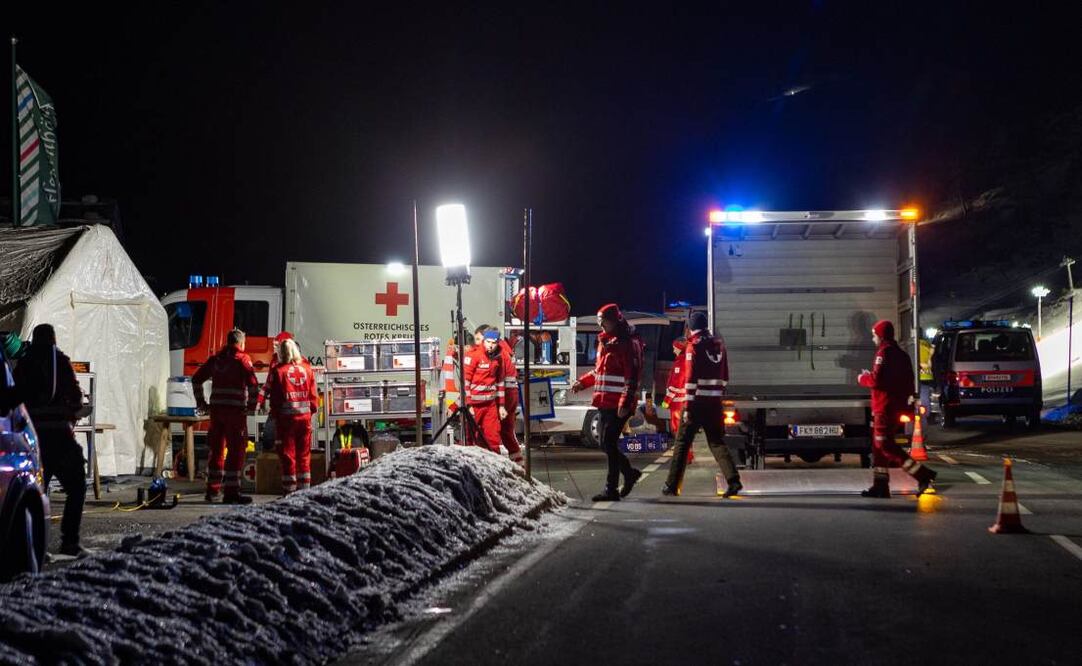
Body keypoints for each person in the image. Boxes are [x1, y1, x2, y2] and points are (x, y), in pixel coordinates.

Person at [12, 324, 88, 557]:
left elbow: (14, 396)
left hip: (32, 439)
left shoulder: (23, 364)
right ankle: (69, 541)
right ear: (54, 339)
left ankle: (35, 545)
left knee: (35, 492)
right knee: (76, 486)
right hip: (59, 436)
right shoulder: (60, 362)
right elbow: (75, 398)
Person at [662, 311, 742, 497]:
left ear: (690, 328)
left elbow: (690, 379)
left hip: (696, 403)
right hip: (714, 403)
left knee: (682, 443)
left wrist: (688, 407)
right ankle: (733, 480)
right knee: (717, 442)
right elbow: (725, 375)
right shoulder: (719, 345)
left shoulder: (693, 347)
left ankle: (672, 485)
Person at [572, 304, 643, 502]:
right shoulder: (606, 342)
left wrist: (625, 402)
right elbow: (600, 372)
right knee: (605, 444)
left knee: (609, 443)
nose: (601, 325)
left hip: (618, 404)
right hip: (605, 401)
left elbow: (632, 376)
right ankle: (628, 474)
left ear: (615, 320)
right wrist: (582, 383)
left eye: (604, 322)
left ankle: (612, 488)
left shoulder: (628, 344)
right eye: (599, 322)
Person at [858, 319, 937, 498]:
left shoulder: (883, 353)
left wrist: (863, 378)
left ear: (880, 335)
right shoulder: (901, 354)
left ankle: (923, 475)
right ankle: (880, 485)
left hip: (884, 408)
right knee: (878, 449)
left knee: (886, 446)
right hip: (895, 407)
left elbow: (877, 380)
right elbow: (908, 380)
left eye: (874, 335)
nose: (873, 339)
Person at [192, 328, 259, 504]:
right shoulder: (242, 360)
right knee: (236, 452)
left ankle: (212, 491)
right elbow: (253, 385)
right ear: (241, 343)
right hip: (235, 414)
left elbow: (196, 379)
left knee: (216, 451)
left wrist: (201, 403)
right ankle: (231, 493)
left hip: (216, 412)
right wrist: (251, 407)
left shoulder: (216, 360)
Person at [265, 338, 319, 493]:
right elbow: (313, 397)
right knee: (304, 455)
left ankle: (289, 491)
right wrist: (310, 412)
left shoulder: (279, 371)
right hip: (304, 420)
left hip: (286, 422)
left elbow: (275, 399)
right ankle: (305, 490)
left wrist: (275, 415)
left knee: (288, 456)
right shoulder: (307, 369)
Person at [463, 329, 507, 453]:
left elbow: (500, 382)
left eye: (494, 342)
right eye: (488, 342)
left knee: (493, 437)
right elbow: (466, 382)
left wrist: (502, 406)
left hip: (490, 405)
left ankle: (495, 465)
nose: (491, 345)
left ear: (498, 342)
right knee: (470, 437)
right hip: (475, 405)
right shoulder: (474, 356)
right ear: (484, 341)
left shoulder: (499, 358)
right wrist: (469, 404)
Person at [257, 331, 298, 452]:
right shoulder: (274, 361)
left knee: (290, 444)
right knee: (268, 439)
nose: (274, 348)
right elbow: (269, 384)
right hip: (276, 410)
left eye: (277, 345)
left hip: (292, 411)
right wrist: (259, 401)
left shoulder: (297, 363)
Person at [662, 337, 693, 465]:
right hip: (682, 403)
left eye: (675, 347)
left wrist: (666, 401)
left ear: (680, 348)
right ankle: (687, 456)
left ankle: (684, 457)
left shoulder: (680, 363)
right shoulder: (684, 361)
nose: (673, 350)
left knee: (679, 431)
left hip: (677, 404)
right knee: (683, 431)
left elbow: (675, 384)